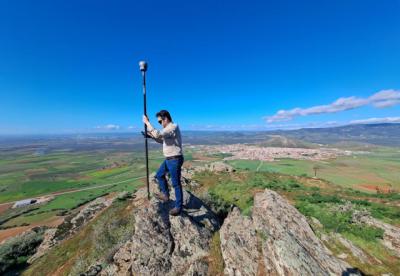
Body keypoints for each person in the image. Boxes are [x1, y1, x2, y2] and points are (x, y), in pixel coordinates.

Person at [142, 110, 184, 216]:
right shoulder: (168, 130)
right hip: (169, 159)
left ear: (165, 118)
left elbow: (159, 134)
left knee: (176, 184)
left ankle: (178, 207)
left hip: (174, 159)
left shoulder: (172, 127)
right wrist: (151, 136)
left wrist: (147, 123)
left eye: (160, 122)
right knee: (160, 175)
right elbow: (162, 140)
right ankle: (165, 195)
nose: (160, 124)